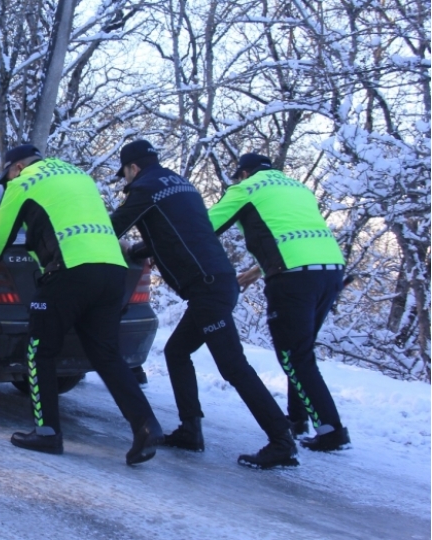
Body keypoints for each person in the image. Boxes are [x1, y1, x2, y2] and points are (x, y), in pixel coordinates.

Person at [109, 140, 297, 469]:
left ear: (133, 168)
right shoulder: (181, 185)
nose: (126, 181)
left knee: (233, 366)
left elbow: (112, 228)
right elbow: (177, 233)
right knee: (177, 351)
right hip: (216, 281)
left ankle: (281, 439)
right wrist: (137, 252)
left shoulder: (144, 189)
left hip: (208, 290)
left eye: (125, 174)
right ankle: (190, 430)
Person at [0, 143, 163, 465]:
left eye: (7, 177)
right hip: (112, 271)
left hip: (70, 272)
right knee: (106, 354)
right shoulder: (78, 175)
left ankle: (47, 432)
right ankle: (145, 424)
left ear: (16, 167)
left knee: (40, 349)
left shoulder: (23, 183)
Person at [209, 153, 350, 452]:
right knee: (300, 351)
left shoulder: (245, 189)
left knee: (293, 355)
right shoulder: (297, 187)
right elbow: (293, 236)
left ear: (244, 173)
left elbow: (205, 227)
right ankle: (298, 420)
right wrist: (257, 269)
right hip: (331, 271)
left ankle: (331, 430)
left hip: (293, 278)